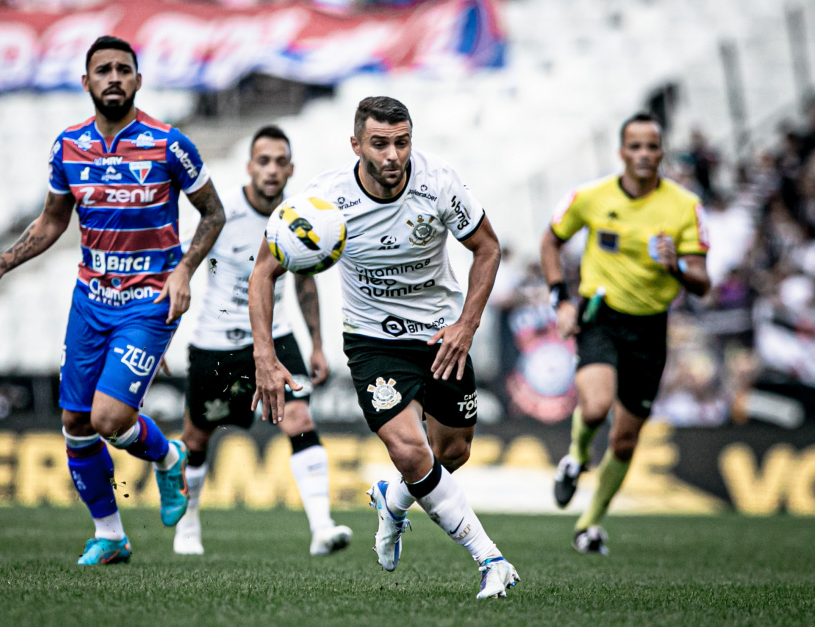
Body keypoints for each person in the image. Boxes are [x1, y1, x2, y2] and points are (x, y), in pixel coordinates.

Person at [0, 36, 226, 565]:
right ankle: (111, 535)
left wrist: (185, 272)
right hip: (90, 300)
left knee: (107, 419)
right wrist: (5, 262)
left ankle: (169, 458)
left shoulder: (170, 144)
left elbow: (213, 213)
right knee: (76, 426)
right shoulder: (67, 146)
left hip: (149, 301)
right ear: (86, 83)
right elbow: (54, 218)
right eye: (102, 70)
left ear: (138, 81)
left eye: (123, 69)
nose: (113, 78)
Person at [248, 97, 520, 600]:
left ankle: (391, 501)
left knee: (450, 454)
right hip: (373, 341)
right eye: (379, 144)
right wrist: (265, 355)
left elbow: (488, 247)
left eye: (402, 142)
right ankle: (491, 559)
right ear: (356, 145)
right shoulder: (322, 202)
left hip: (442, 335)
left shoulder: (438, 183)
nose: (393, 155)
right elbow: (263, 269)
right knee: (410, 450)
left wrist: (467, 323)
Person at [173, 125, 352, 557]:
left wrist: (315, 344)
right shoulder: (220, 212)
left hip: (276, 335)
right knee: (197, 437)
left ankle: (322, 528)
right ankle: (188, 524)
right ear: (249, 166)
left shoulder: (297, 217)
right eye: (263, 160)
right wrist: (162, 338)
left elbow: (306, 283)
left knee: (300, 421)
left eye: (280, 161)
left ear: (291, 168)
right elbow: (183, 275)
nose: (272, 170)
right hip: (217, 339)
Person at [541, 112, 711, 555]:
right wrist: (561, 298)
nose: (643, 154)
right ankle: (576, 458)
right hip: (601, 314)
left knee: (625, 438)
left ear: (661, 152)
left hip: (651, 326)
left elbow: (702, 282)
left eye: (651, 146)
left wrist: (675, 266)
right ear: (621, 153)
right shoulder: (591, 196)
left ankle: (590, 523)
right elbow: (551, 240)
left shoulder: (684, 206)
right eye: (634, 146)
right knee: (595, 407)